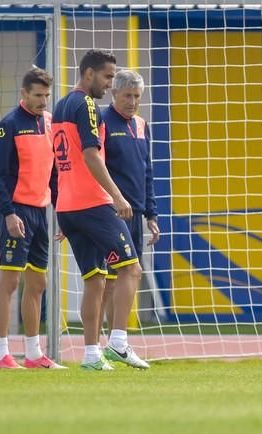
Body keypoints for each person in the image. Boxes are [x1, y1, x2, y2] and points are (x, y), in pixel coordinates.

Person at [52, 49, 148, 371]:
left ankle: (91, 354)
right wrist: (118, 197)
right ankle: (118, 342)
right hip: (93, 203)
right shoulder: (87, 105)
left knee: (94, 281)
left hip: (69, 207)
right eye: (108, 76)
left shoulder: (61, 105)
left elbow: (60, 162)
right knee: (131, 269)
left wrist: (61, 208)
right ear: (89, 73)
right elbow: (91, 155)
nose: (109, 84)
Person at [0, 67, 64, 369]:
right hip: (16, 212)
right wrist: (8, 214)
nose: (43, 101)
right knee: (10, 282)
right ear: (23, 94)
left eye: (47, 95)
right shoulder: (8, 126)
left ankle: (33, 354)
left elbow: (55, 174)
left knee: (38, 283)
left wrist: (61, 212)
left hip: (41, 213)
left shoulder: (49, 123)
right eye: (37, 95)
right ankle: (0, 354)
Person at [100, 69, 160, 334]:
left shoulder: (141, 125)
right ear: (114, 93)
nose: (132, 102)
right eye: (127, 95)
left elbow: (146, 172)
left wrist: (151, 214)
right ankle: (98, 340)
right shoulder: (101, 121)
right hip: (110, 212)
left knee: (128, 278)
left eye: (137, 96)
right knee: (107, 280)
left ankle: (117, 341)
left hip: (135, 213)